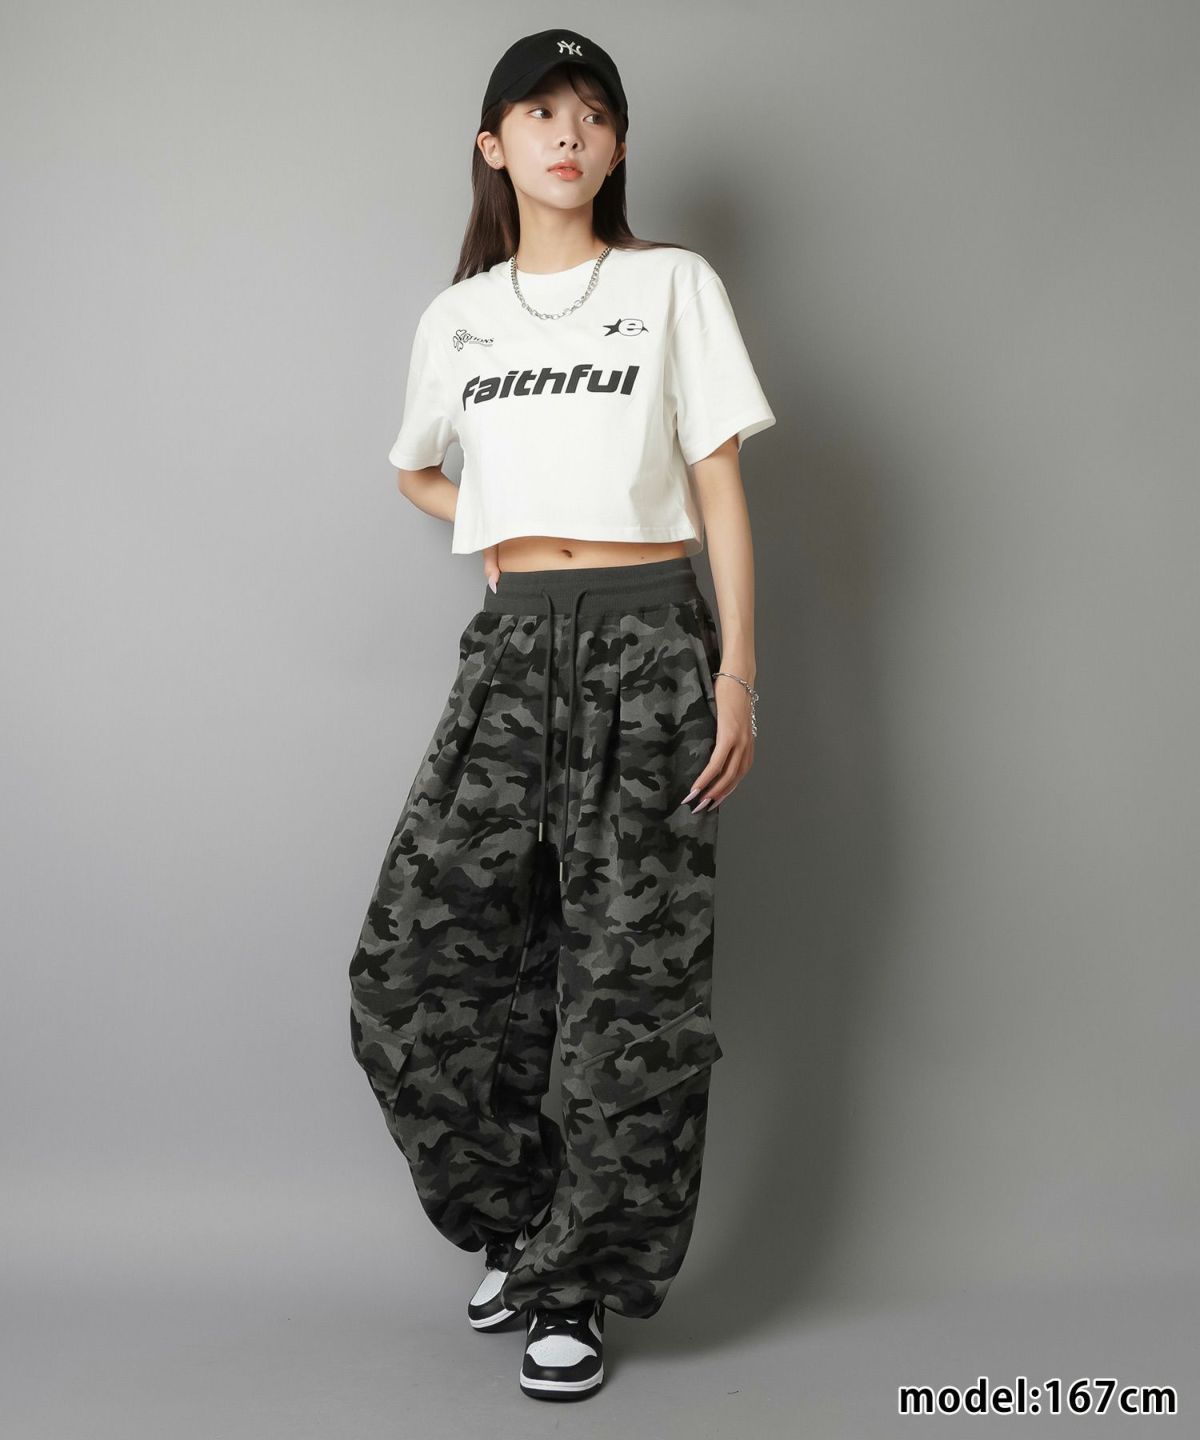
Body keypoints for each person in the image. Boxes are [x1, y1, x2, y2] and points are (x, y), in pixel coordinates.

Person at [348, 27, 774, 1403]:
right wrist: (495, 520)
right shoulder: (459, 317)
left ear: (618, 145)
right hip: (514, 648)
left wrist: (736, 672)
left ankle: (578, 1286)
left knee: (627, 987)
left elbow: (718, 487)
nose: (568, 132)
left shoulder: (669, 286)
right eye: (540, 112)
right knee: (412, 975)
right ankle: (528, 1228)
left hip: (652, 641)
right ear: (494, 145)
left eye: (593, 112)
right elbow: (417, 469)